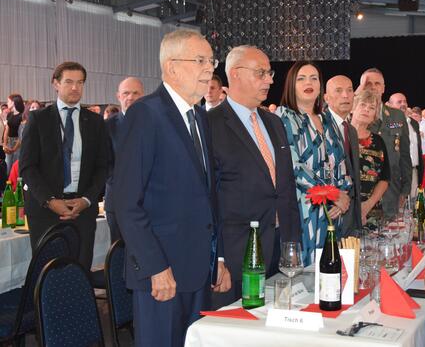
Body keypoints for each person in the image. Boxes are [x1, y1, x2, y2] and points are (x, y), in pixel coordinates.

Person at [112, 30, 231, 346]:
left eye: (211, 60)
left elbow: (208, 194)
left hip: (199, 269)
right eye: (200, 60)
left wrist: (217, 257)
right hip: (162, 273)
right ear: (172, 67)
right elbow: (126, 201)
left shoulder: (199, 116)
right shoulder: (145, 114)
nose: (209, 68)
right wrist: (155, 266)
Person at [208, 46, 300, 308]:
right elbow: (207, 198)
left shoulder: (274, 122)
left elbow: (285, 186)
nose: (269, 80)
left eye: (270, 73)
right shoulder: (210, 124)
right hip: (236, 256)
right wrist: (218, 259)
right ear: (235, 74)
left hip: (278, 251)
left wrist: (292, 244)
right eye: (261, 73)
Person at [20, 62, 108, 270]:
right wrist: (50, 201)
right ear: (56, 84)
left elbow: (103, 166)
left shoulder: (95, 122)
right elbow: (28, 167)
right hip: (45, 211)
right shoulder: (38, 119)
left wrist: (87, 199)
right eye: (69, 82)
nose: (75, 87)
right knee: (47, 273)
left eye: (80, 82)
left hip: (82, 211)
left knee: (80, 270)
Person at [277, 62, 351, 266]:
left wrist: (343, 196)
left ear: (320, 85)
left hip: (334, 211)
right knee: (307, 272)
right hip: (304, 210)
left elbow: (341, 161)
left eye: (314, 78)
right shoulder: (284, 117)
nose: (308, 83)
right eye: (301, 78)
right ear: (291, 85)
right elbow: (294, 166)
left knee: (331, 270)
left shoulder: (327, 119)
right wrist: (333, 195)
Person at [357, 68, 411, 219]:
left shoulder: (397, 116)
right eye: (368, 84)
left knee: (391, 231)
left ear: (383, 88)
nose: (373, 87)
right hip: (363, 194)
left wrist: (406, 189)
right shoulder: (355, 115)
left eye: (377, 84)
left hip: (391, 191)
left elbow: (404, 155)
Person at [104, 77, 144, 242]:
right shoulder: (107, 127)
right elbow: (105, 166)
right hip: (118, 202)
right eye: (126, 93)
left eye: (135, 93)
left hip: (149, 203)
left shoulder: (157, 123)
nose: (131, 97)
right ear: (118, 96)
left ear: (143, 96)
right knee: (119, 251)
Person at [324, 75, 361, 236]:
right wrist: (334, 198)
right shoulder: (319, 126)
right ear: (326, 98)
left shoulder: (351, 130)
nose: (345, 95)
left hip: (351, 217)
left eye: (349, 90)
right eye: (338, 91)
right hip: (330, 213)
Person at [351, 90, 390, 226]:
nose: (367, 109)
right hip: (342, 210)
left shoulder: (379, 141)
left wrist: (368, 204)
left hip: (372, 212)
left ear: (375, 115)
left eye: (372, 107)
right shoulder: (339, 135)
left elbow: (385, 178)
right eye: (362, 104)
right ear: (352, 108)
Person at [388, 93, 423, 201]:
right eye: (399, 102)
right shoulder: (387, 124)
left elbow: (417, 148)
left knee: (413, 203)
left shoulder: (413, 123)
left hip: (413, 172)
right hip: (396, 174)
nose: (403, 104)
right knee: (398, 206)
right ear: (390, 105)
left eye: (405, 101)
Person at [3, 94, 24, 172]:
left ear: (13, 102)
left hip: (18, 143)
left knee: (16, 166)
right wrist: (5, 144)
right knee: (8, 166)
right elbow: (6, 130)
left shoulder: (22, 116)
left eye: (8, 101)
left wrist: (14, 148)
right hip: (9, 142)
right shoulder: (9, 115)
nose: (7, 103)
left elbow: (21, 135)